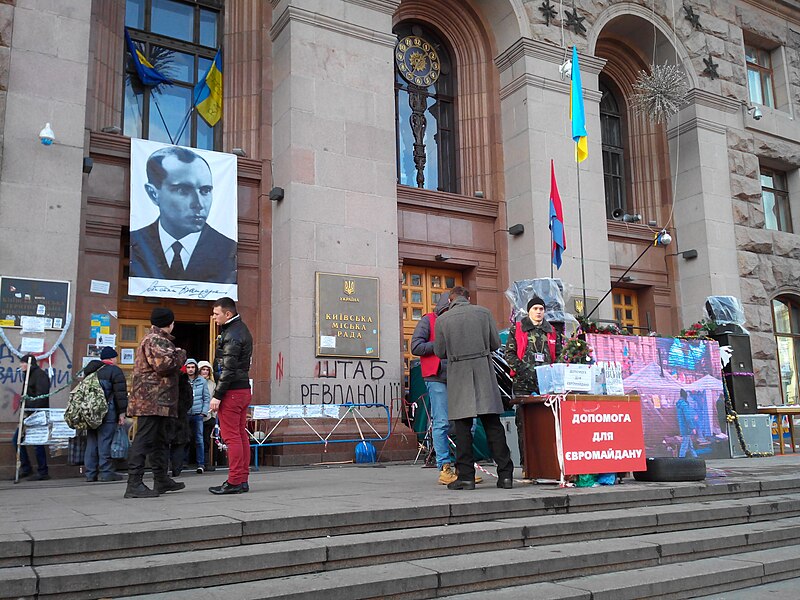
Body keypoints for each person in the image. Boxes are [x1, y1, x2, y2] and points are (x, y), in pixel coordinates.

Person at [434, 286, 514, 490]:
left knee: (462, 429)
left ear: (451, 300)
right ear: (468, 298)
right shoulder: (484, 313)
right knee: (493, 426)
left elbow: (440, 351)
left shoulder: (443, 319)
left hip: (459, 373)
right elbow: (496, 344)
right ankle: (505, 476)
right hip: (483, 372)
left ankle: (466, 477)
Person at [130, 146, 237, 283]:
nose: (198, 204)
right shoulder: (137, 241)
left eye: (205, 191)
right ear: (153, 193)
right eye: (183, 190)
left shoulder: (227, 249)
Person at [124, 308, 187, 498]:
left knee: (160, 440)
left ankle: (161, 479)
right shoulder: (156, 339)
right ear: (170, 323)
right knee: (143, 440)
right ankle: (134, 483)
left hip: (157, 400)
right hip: (151, 401)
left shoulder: (152, 339)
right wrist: (181, 354)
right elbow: (164, 366)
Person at [504, 296, 561, 472]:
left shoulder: (551, 331)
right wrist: (524, 371)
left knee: (548, 424)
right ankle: (526, 466)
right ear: (529, 311)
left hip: (546, 385)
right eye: (535, 308)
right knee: (524, 425)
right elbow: (510, 355)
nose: (538, 311)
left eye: (541, 309)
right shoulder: (518, 329)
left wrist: (552, 374)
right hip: (523, 384)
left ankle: (547, 464)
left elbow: (558, 356)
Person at [209, 296, 253, 495]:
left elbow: (227, 368)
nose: (214, 317)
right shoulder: (240, 329)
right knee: (241, 434)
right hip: (242, 389)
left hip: (232, 391)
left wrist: (217, 395)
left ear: (228, 314)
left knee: (231, 436)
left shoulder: (232, 334)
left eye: (216, 313)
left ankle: (235, 481)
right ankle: (242, 479)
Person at [411, 294, 456, 485]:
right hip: (436, 376)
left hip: (457, 376)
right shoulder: (427, 320)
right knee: (442, 421)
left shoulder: (458, 320)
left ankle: (463, 466)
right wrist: (439, 345)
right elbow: (416, 346)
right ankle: (444, 467)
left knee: (466, 423)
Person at [83, 347, 128, 482]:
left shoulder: (91, 371)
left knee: (91, 443)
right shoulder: (114, 371)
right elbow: (120, 395)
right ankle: (106, 472)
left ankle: (90, 473)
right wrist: (122, 413)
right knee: (105, 441)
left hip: (91, 413)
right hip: (108, 413)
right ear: (112, 358)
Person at [12, 354, 51, 480]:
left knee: (37, 442)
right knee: (16, 439)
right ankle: (26, 467)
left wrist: (27, 403)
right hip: (28, 413)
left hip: (36, 413)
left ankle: (43, 471)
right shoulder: (28, 375)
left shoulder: (39, 375)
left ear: (29, 364)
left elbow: (41, 397)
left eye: (22, 363)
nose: (20, 365)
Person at [184, 358, 211, 473]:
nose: (190, 369)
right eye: (188, 367)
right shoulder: (182, 380)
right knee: (184, 439)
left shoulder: (202, 381)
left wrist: (203, 412)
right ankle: (182, 463)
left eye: (192, 367)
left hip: (198, 414)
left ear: (196, 368)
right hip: (185, 414)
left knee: (199, 440)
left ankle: (201, 464)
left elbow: (206, 398)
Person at [198, 360, 217, 471]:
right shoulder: (194, 382)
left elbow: (214, 398)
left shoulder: (212, 384)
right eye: (203, 369)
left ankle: (205, 462)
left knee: (205, 440)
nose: (205, 372)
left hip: (209, 415)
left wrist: (213, 415)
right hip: (195, 414)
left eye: (207, 370)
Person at [676, 389, 697, 458]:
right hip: (686, 428)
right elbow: (688, 418)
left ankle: (695, 457)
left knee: (689, 445)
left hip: (682, 427)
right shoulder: (684, 405)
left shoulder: (679, 405)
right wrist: (692, 427)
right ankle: (681, 459)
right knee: (684, 445)